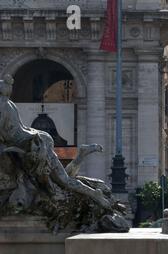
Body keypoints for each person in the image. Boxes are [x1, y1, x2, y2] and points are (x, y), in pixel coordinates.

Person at [0, 75, 111, 210]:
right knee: (62, 179)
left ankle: (94, 194)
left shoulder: (3, 106)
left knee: (63, 180)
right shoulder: (8, 104)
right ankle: (81, 157)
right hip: (30, 142)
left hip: (31, 145)